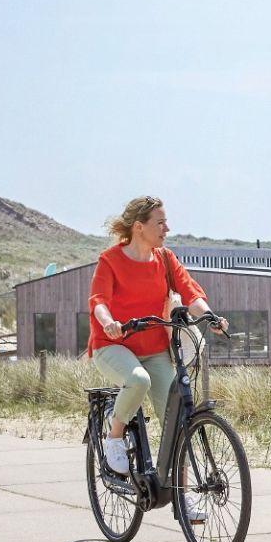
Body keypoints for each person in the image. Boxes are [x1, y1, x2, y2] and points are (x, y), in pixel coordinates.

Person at [87, 197, 228, 522]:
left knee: (177, 421)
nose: (167, 228)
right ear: (140, 227)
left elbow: (191, 293)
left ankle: (182, 498)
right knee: (138, 380)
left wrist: (209, 317)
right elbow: (98, 299)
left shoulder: (164, 260)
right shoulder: (109, 261)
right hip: (112, 346)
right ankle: (114, 436)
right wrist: (108, 320)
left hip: (154, 350)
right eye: (160, 223)